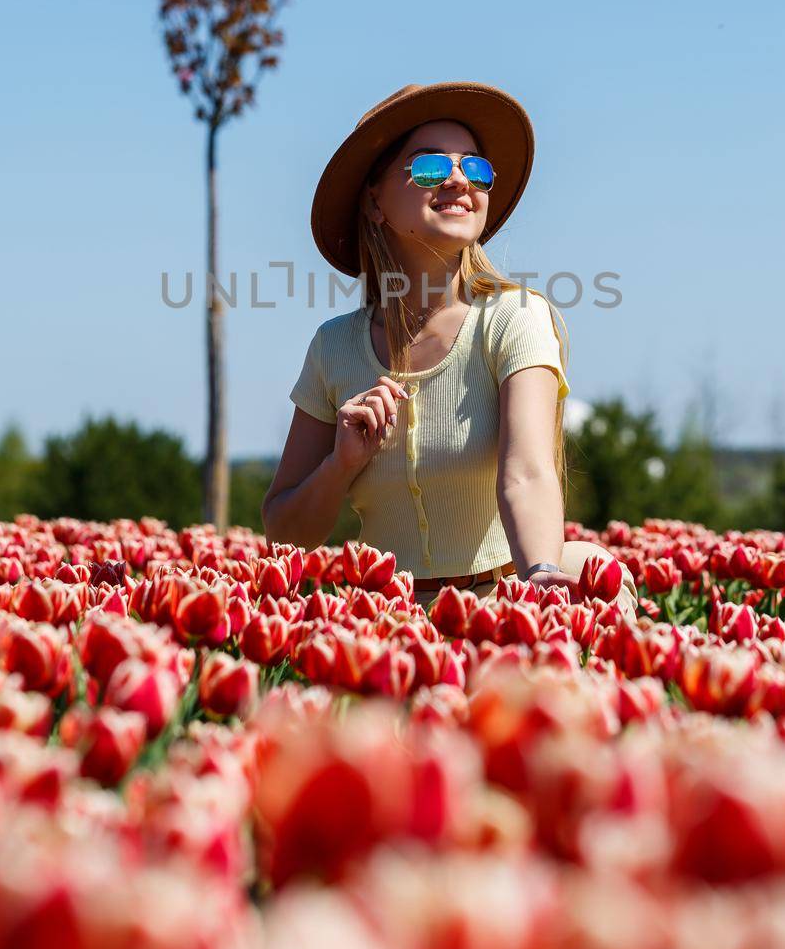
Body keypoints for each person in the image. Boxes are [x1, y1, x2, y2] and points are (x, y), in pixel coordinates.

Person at [262, 81, 637, 613]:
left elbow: (527, 470)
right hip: (388, 625)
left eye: (476, 169)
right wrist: (341, 464)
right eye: (431, 168)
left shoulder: (515, 319)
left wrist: (542, 581)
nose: (460, 180)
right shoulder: (333, 347)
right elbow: (287, 535)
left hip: (507, 606)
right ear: (374, 202)